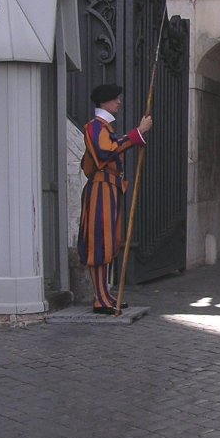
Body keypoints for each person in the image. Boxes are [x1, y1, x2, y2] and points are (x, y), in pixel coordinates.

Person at [78, 83, 153, 315]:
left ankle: (105, 294)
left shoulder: (104, 128)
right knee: (100, 243)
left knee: (109, 243)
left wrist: (135, 136)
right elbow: (104, 152)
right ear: (105, 102)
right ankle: (100, 298)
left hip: (109, 190)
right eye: (115, 99)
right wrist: (137, 134)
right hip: (100, 190)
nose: (119, 102)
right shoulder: (95, 127)